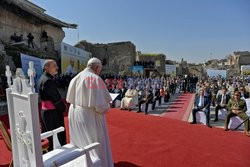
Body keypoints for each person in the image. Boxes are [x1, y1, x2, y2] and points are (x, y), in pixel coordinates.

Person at [66, 57, 114, 166]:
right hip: (89, 116)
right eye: (100, 69)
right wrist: (107, 105)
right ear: (97, 67)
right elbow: (101, 107)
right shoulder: (95, 79)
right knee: (94, 143)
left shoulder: (76, 77)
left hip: (74, 112)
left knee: (80, 141)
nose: (99, 72)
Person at [38, 60, 66, 150]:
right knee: (56, 137)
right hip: (52, 114)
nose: (56, 68)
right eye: (54, 66)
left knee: (49, 135)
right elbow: (56, 99)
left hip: (46, 112)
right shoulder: (48, 80)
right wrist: (63, 108)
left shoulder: (43, 78)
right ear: (46, 67)